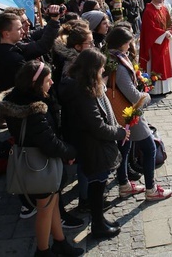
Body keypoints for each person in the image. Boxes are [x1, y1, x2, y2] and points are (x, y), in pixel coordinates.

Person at [0, 61, 82, 257]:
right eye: (47, 79)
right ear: (35, 83)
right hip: (39, 165)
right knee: (45, 209)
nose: (52, 82)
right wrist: (70, 152)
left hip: (42, 161)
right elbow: (48, 142)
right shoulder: (34, 110)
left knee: (53, 203)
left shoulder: (20, 99)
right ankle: (42, 250)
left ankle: (60, 242)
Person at [59, 49, 129, 239]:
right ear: (92, 70)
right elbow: (97, 126)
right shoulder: (83, 92)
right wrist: (121, 132)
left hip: (90, 143)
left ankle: (100, 220)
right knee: (97, 187)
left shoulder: (79, 86)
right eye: (100, 68)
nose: (103, 70)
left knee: (98, 186)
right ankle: (98, 225)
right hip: (92, 145)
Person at [105, 27, 172, 201]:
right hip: (128, 112)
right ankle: (151, 189)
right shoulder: (118, 64)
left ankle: (124, 185)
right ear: (121, 44)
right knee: (149, 148)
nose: (131, 45)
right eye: (129, 42)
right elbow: (133, 95)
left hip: (120, 112)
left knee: (124, 148)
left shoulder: (109, 56)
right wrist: (147, 96)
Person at [139, 0, 172, 96]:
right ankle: (156, 90)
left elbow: (169, 22)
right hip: (154, 43)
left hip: (164, 41)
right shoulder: (148, 11)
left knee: (166, 64)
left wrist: (171, 29)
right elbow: (150, 29)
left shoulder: (164, 8)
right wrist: (164, 33)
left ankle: (167, 87)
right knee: (157, 65)